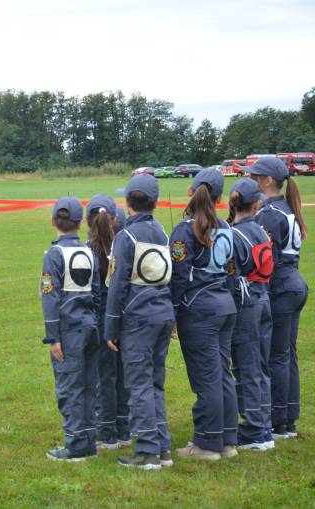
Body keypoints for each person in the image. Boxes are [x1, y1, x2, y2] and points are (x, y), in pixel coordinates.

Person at [105, 175, 174, 470]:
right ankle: (162, 447)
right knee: (155, 382)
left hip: (138, 318)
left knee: (140, 384)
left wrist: (111, 327)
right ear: (154, 203)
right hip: (162, 314)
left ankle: (147, 450)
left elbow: (117, 284)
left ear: (128, 203)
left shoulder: (126, 236)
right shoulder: (162, 232)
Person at [170, 168, 237, 461]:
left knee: (207, 378)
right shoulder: (226, 227)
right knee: (222, 373)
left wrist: (172, 313)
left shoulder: (185, 229)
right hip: (224, 305)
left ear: (191, 192)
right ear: (220, 198)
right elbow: (232, 270)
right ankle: (227, 440)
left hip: (199, 310)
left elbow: (178, 278)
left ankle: (208, 444)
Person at [246, 157, 308, 439]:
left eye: (255, 177)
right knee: (287, 354)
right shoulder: (283, 208)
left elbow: (263, 256)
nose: (252, 181)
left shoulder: (270, 213)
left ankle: (278, 418)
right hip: (292, 282)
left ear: (268, 181)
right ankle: (288, 417)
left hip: (281, 285)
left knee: (277, 355)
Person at [41, 197, 100, 461]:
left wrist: (52, 337)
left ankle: (76, 444)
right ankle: (89, 440)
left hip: (68, 330)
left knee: (70, 387)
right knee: (89, 385)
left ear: (53, 221)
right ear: (80, 222)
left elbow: (50, 297)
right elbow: (97, 292)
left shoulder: (53, 255)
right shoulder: (90, 252)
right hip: (90, 325)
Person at [226, 178, 275, 451]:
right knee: (260, 365)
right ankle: (264, 425)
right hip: (263, 297)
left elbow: (231, 274)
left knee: (246, 366)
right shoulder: (260, 231)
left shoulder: (234, 235)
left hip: (246, 303)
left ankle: (255, 429)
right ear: (256, 204)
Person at [86, 195, 130, 449]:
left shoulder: (87, 251)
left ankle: (106, 431)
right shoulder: (125, 247)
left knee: (104, 377)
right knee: (123, 375)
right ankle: (124, 426)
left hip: (101, 319)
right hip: (125, 316)